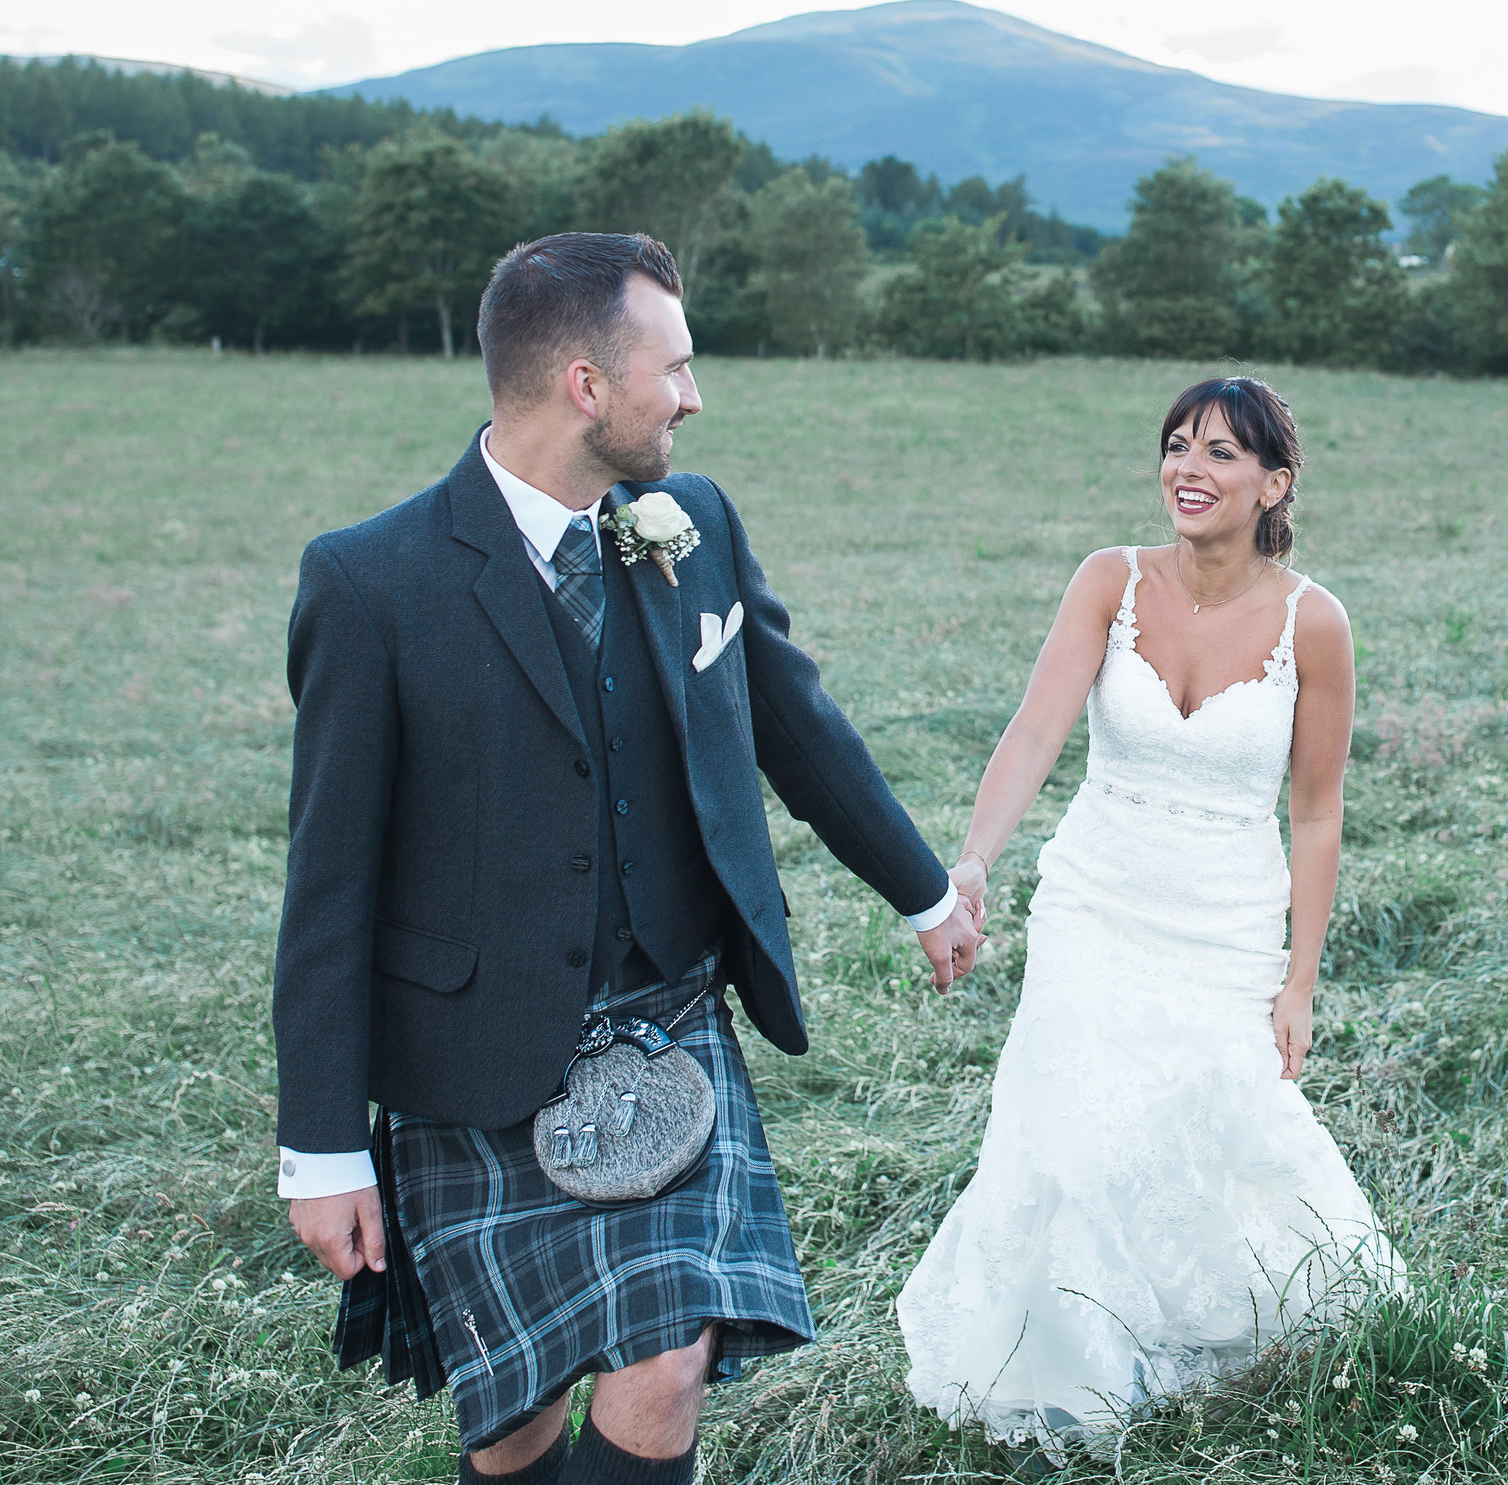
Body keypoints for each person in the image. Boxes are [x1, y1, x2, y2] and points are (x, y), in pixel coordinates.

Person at [271, 231, 984, 1485]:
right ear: (586, 387)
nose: (695, 398)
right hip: (474, 1059)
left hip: (669, 1018)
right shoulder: (371, 581)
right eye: (677, 367)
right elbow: (328, 885)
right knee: (516, 1426)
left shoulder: (688, 521)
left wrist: (923, 890)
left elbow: (791, 721)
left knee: (663, 1371)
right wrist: (322, 1149)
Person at [896, 376, 1405, 1448]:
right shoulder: (1107, 581)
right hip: (1094, 894)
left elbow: (1315, 814)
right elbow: (1036, 730)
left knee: (1206, 1122)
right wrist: (976, 861)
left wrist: (1298, 982)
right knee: (1070, 1117)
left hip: (1226, 917)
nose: (1189, 467)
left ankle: (1211, 1321)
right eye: (1178, 445)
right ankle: (1075, 1360)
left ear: (1274, 482)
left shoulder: (1314, 622)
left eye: (1222, 453)